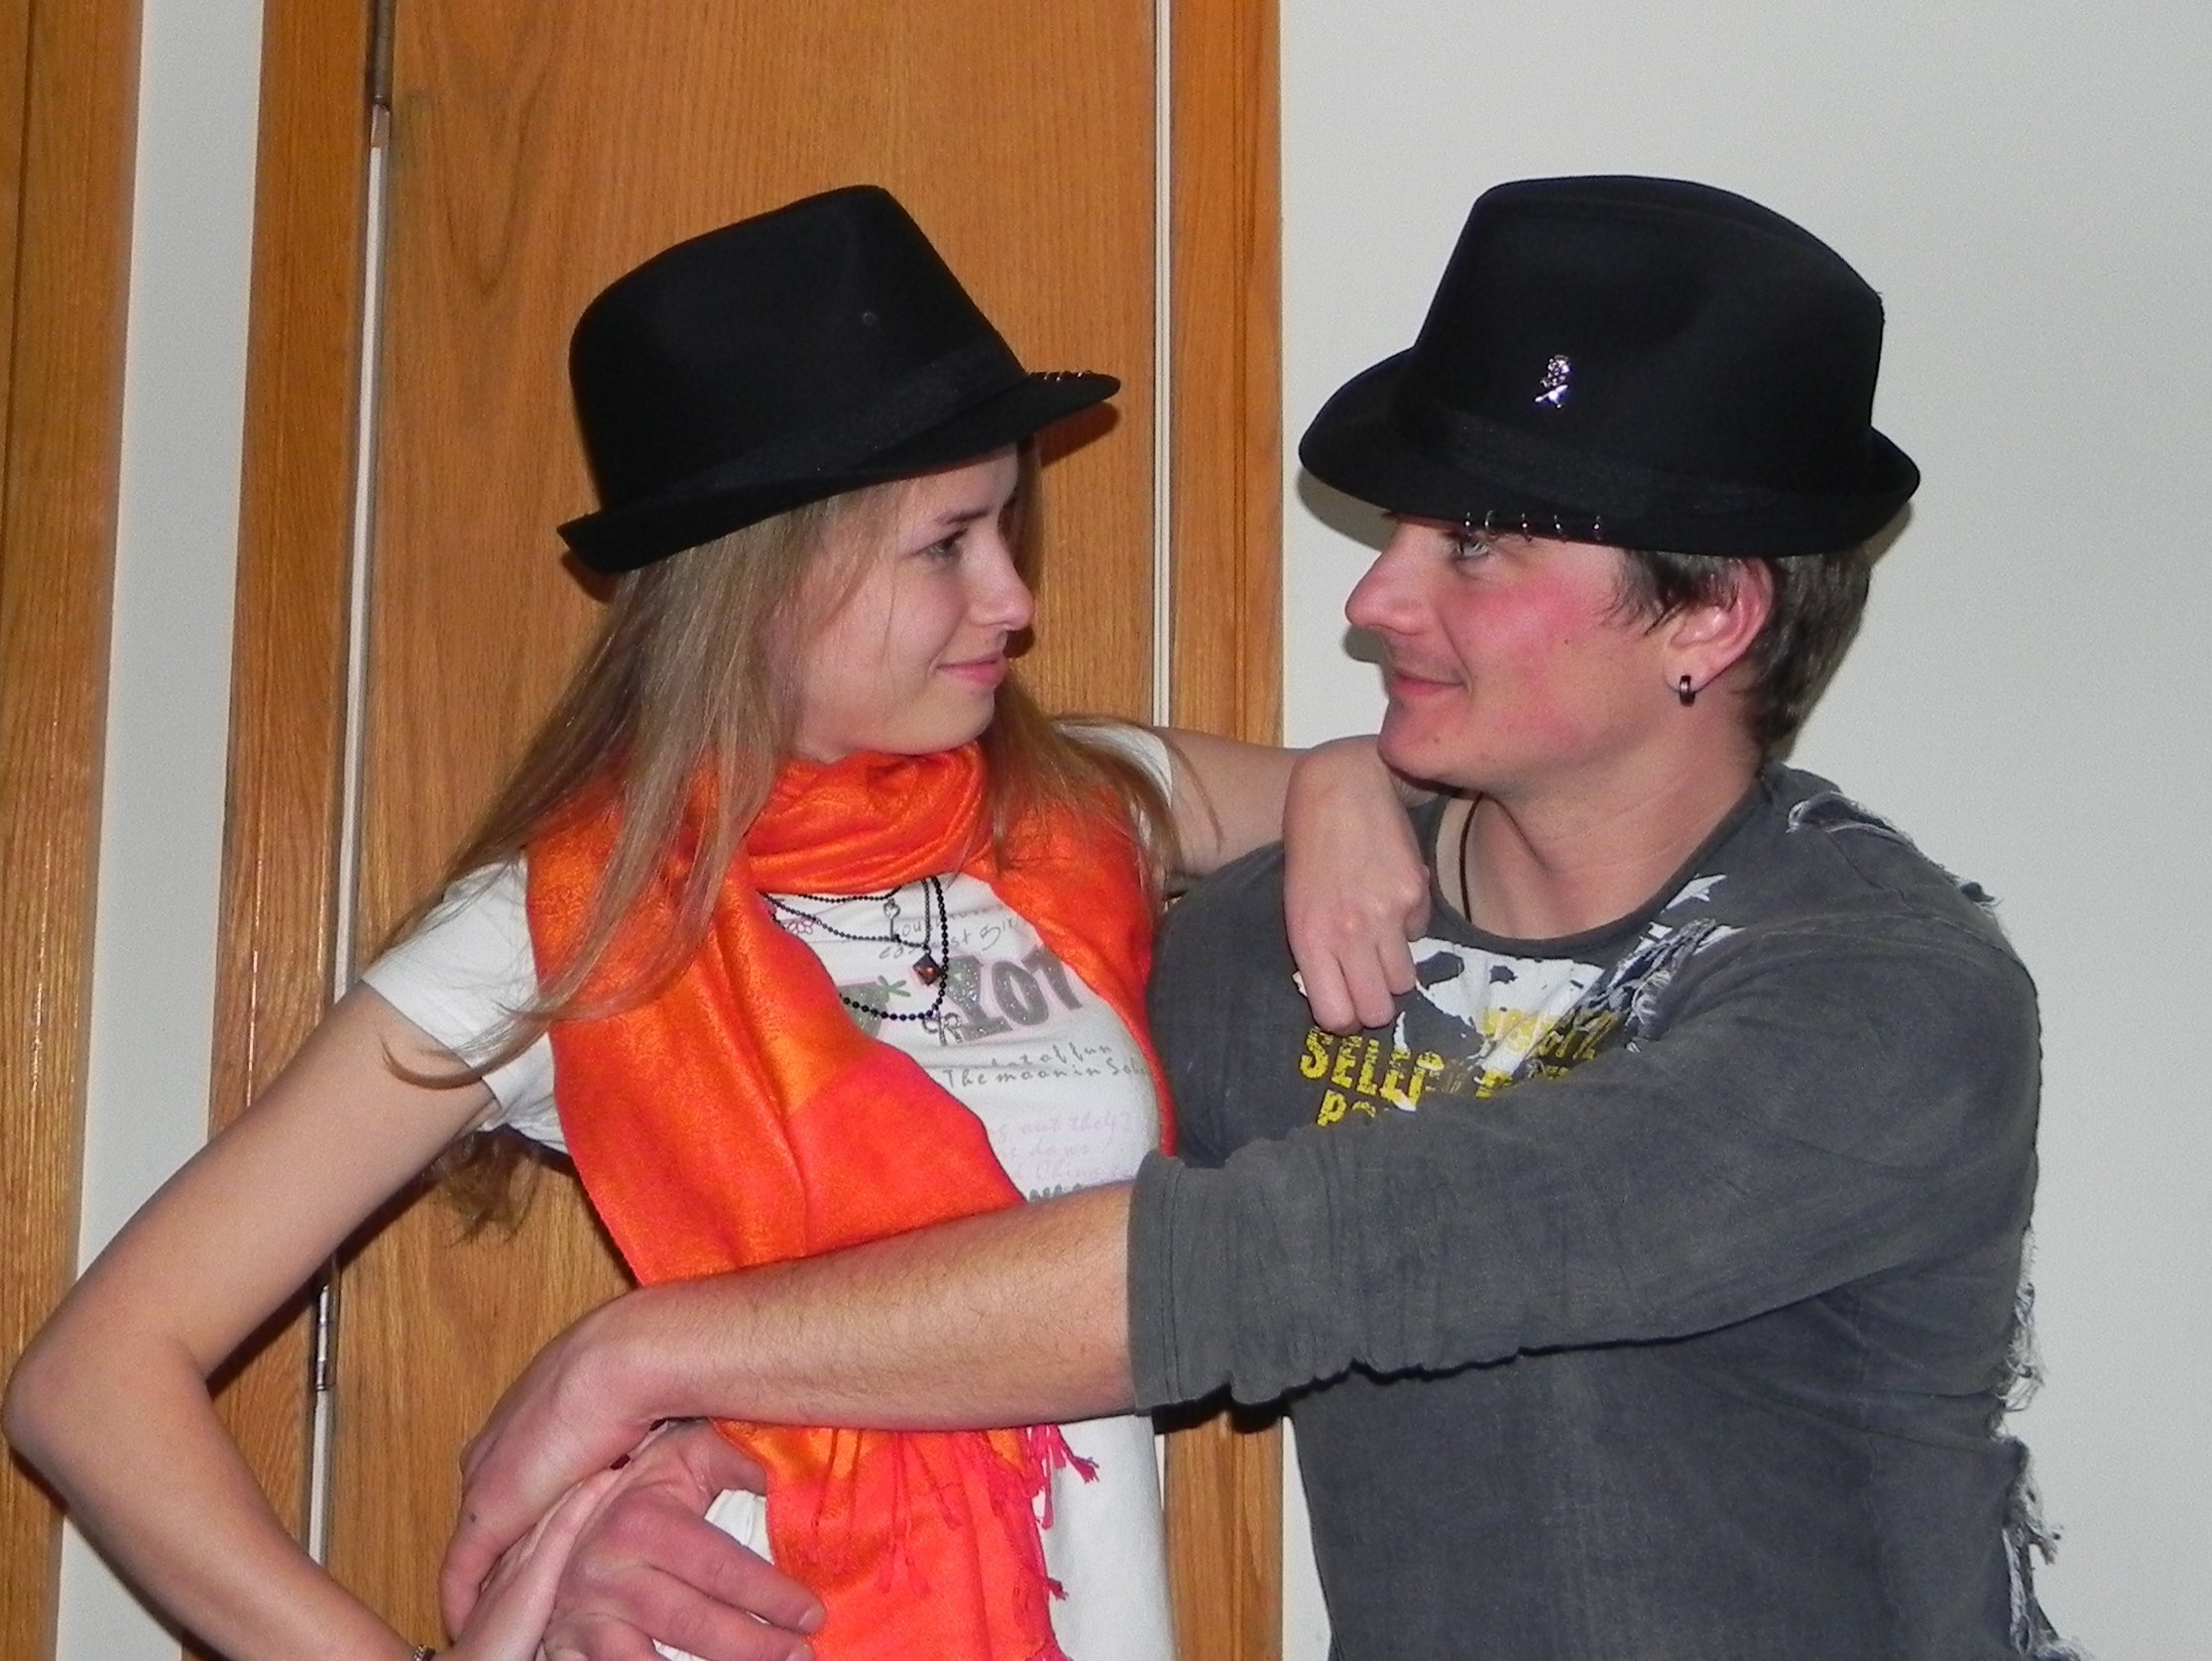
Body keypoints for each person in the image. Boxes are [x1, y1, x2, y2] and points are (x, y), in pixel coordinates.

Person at [439, 177, 2076, 1661]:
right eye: (1405, 531)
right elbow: (976, 1270)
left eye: (1477, 545)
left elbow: (1300, 1266)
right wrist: (681, 1488)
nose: (1374, 598)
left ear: (1709, 614)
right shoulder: (1265, 953)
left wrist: (640, 1357)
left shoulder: (1883, 1001)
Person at [3, 185, 1420, 1661]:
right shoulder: (568, 924)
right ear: (764, 572)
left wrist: (1336, 782)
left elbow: (1431, 793)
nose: (1012, 596)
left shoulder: (1085, 807)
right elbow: (92, 1384)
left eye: (1007, 523)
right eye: (945, 543)